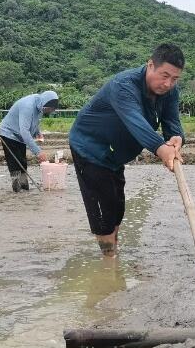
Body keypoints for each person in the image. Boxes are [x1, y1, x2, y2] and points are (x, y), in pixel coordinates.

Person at [69, 43, 185, 257]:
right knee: (104, 213)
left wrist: (176, 139)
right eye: (164, 75)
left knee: (117, 207)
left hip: (115, 155)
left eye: (175, 79)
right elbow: (135, 122)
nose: (168, 84)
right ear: (150, 65)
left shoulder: (170, 91)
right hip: (90, 148)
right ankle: (109, 263)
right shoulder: (123, 85)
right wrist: (161, 148)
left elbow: (172, 122)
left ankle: (113, 250)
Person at [0, 90, 59, 192]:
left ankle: (24, 187)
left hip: (19, 135)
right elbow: (25, 131)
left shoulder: (40, 105)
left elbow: (34, 121)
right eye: (48, 109)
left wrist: (37, 131)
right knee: (14, 161)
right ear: (45, 104)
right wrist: (38, 152)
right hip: (9, 133)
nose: (49, 111)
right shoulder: (28, 106)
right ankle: (17, 189)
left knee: (22, 160)